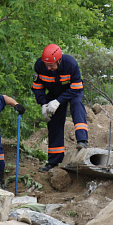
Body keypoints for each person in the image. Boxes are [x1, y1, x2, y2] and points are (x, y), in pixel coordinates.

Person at [31, 44, 88, 172]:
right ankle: (54, 161)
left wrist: (58, 101)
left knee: (77, 106)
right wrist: (44, 104)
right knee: (54, 122)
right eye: (46, 65)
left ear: (59, 60)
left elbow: (76, 88)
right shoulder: (40, 66)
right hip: (54, 92)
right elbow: (38, 88)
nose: (48, 68)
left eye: (51, 65)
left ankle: (82, 140)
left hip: (72, 91)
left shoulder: (71, 64)